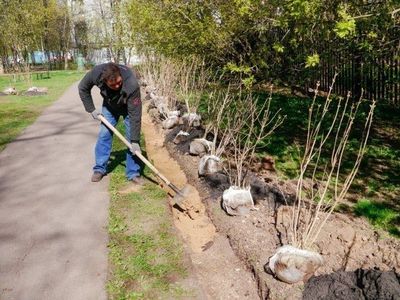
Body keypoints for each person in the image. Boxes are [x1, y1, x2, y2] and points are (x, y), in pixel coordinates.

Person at [78, 62, 143, 184]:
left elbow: (135, 115)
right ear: (104, 81)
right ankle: (99, 169)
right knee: (104, 134)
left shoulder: (131, 83)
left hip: (128, 108)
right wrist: (91, 109)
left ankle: (133, 172)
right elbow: (83, 88)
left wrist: (134, 140)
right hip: (110, 106)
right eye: (113, 85)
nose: (117, 86)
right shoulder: (96, 74)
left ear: (120, 75)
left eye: (119, 82)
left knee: (132, 140)